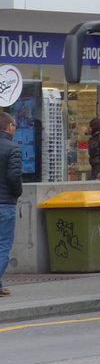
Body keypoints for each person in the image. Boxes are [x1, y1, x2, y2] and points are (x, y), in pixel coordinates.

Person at [0, 111, 23, 298]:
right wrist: (17, 194)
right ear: (9, 127)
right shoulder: (12, 148)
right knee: (3, 246)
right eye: (14, 126)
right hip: (5, 203)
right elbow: (13, 177)